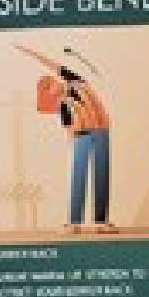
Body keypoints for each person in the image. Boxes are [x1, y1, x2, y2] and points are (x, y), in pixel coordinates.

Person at [21, 45, 116, 234]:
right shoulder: (62, 104)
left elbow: (53, 65)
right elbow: (68, 128)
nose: (54, 86)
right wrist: (72, 143)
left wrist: (32, 53)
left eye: (52, 83)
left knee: (102, 176)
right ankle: (74, 223)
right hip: (82, 136)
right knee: (78, 178)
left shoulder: (77, 82)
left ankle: (101, 222)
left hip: (102, 131)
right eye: (50, 89)